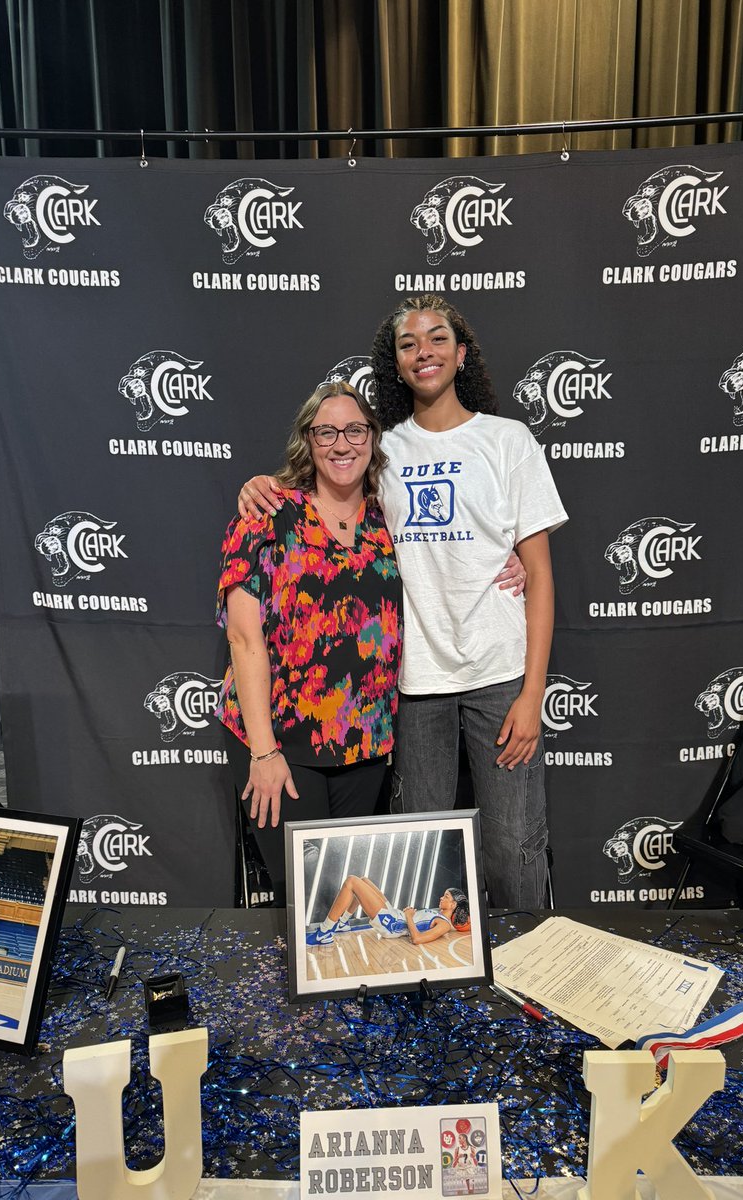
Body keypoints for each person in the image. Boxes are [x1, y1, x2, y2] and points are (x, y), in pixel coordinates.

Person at [239, 295, 567, 908]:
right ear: (395, 362)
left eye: (438, 339)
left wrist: (533, 692)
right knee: (419, 851)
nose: (425, 353)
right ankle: (432, 976)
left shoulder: (508, 440)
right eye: (409, 344)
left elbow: (542, 577)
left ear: (461, 353)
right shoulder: (381, 450)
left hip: (499, 675)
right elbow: (318, 490)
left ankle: (529, 976)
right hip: (412, 687)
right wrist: (260, 485)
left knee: (512, 846)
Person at [216, 381, 402, 903]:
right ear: (308, 441)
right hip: (281, 741)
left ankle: (347, 988)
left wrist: (512, 561)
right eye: (327, 432)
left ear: (372, 438)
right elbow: (244, 638)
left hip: (365, 746)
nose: (342, 444)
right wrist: (264, 750)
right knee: (305, 898)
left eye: (355, 430)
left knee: (351, 895)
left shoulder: (390, 521)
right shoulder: (266, 517)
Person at [305, 875, 470, 947]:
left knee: (352, 882)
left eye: (446, 897)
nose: (441, 897)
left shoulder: (444, 925)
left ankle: (324, 932)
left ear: (453, 905)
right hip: (395, 914)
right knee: (363, 880)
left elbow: (418, 939)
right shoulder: (438, 914)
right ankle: (342, 923)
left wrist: (409, 916)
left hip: (392, 924)